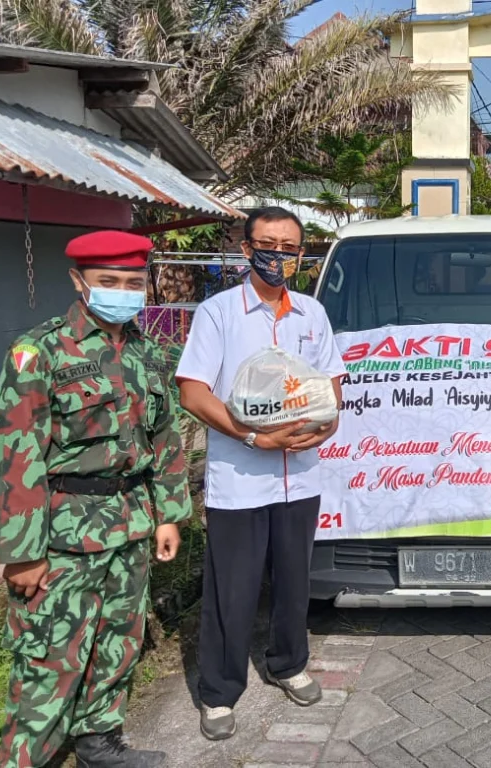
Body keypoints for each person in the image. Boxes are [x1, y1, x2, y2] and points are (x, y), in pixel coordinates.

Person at [0, 231, 191, 768]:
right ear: (79, 282)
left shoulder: (146, 350)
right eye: (108, 282)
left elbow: (164, 438)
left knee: (118, 644)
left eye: (132, 282)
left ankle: (101, 745)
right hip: (63, 534)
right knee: (50, 661)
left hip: (131, 526)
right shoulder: (40, 352)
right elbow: (14, 455)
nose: (122, 292)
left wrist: (169, 515)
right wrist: (22, 552)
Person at [176, 207, 345, 741]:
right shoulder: (219, 313)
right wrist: (253, 436)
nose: (279, 256)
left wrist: (325, 425)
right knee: (233, 589)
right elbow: (194, 391)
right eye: (268, 245)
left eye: (289, 248)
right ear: (246, 249)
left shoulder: (312, 315)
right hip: (240, 478)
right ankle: (219, 692)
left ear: (301, 254)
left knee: (295, 581)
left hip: (302, 475)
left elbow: (332, 385)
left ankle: (288, 662)